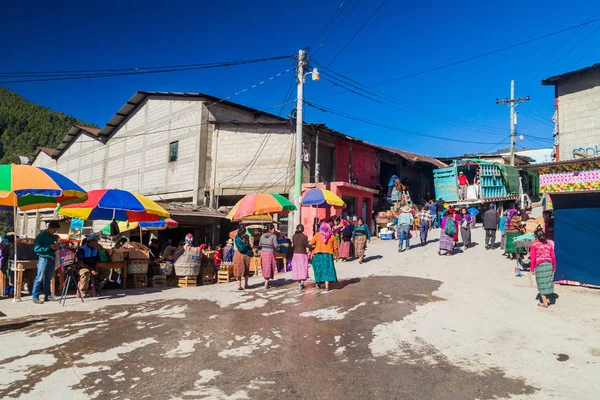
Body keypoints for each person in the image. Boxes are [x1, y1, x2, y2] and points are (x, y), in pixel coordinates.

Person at [32, 221, 61, 304]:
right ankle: (35, 296)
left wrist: (55, 246)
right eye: (54, 230)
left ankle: (47, 296)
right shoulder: (40, 237)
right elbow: (36, 249)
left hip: (51, 258)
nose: (55, 232)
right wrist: (48, 247)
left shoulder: (52, 237)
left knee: (48, 278)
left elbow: (52, 246)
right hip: (43, 259)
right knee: (39, 278)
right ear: (50, 228)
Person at [530, 229, 556, 308]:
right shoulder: (549, 244)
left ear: (536, 236)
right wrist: (554, 267)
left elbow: (533, 258)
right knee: (547, 283)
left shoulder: (534, 245)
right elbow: (553, 257)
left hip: (540, 265)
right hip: (549, 265)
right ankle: (546, 300)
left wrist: (532, 268)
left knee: (541, 284)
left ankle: (545, 303)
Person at [310, 221, 338, 291]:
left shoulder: (317, 235)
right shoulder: (332, 236)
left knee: (318, 270)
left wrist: (316, 246)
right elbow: (335, 248)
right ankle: (326, 286)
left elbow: (311, 243)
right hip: (327, 255)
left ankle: (318, 283)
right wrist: (337, 255)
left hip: (318, 255)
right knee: (327, 270)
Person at [77, 233, 101, 298]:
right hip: (82, 268)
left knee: (106, 271)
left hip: (93, 268)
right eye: (96, 241)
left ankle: (97, 287)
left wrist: (96, 269)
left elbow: (97, 261)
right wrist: (91, 270)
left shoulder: (96, 249)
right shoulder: (82, 249)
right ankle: (83, 291)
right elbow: (80, 263)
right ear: (91, 242)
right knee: (86, 272)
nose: (97, 243)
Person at [258, 224, 280, 289]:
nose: (274, 230)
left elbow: (259, 244)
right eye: (274, 229)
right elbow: (276, 245)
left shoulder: (262, 236)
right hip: (270, 253)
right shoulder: (274, 236)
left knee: (265, 267)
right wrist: (281, 245)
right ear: (271, 229)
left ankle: (266, 280)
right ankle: (266, 283)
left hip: (263, 253)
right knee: (269, 266)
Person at [233, 225, 253, 291]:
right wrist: (248, 250)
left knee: (246, 268)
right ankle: (239, 285)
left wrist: (250, 243)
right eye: (243, 232)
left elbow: (250, 245)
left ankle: (246, 284)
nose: (244, 234)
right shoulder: (236, 238)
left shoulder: (247, 236)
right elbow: (241, 248)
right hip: (239, 253)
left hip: (246, 254)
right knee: (239, 269)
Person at [291, 224, 310, 290]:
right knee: (303, 268)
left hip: (295, 254)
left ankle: (299, 284)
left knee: (297, 268)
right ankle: (302, 282)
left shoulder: (293, 236)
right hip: (302, 253)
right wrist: (311, 246)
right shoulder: (304, 236)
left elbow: (294, 244)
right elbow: (306, 245)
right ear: (303, 229)